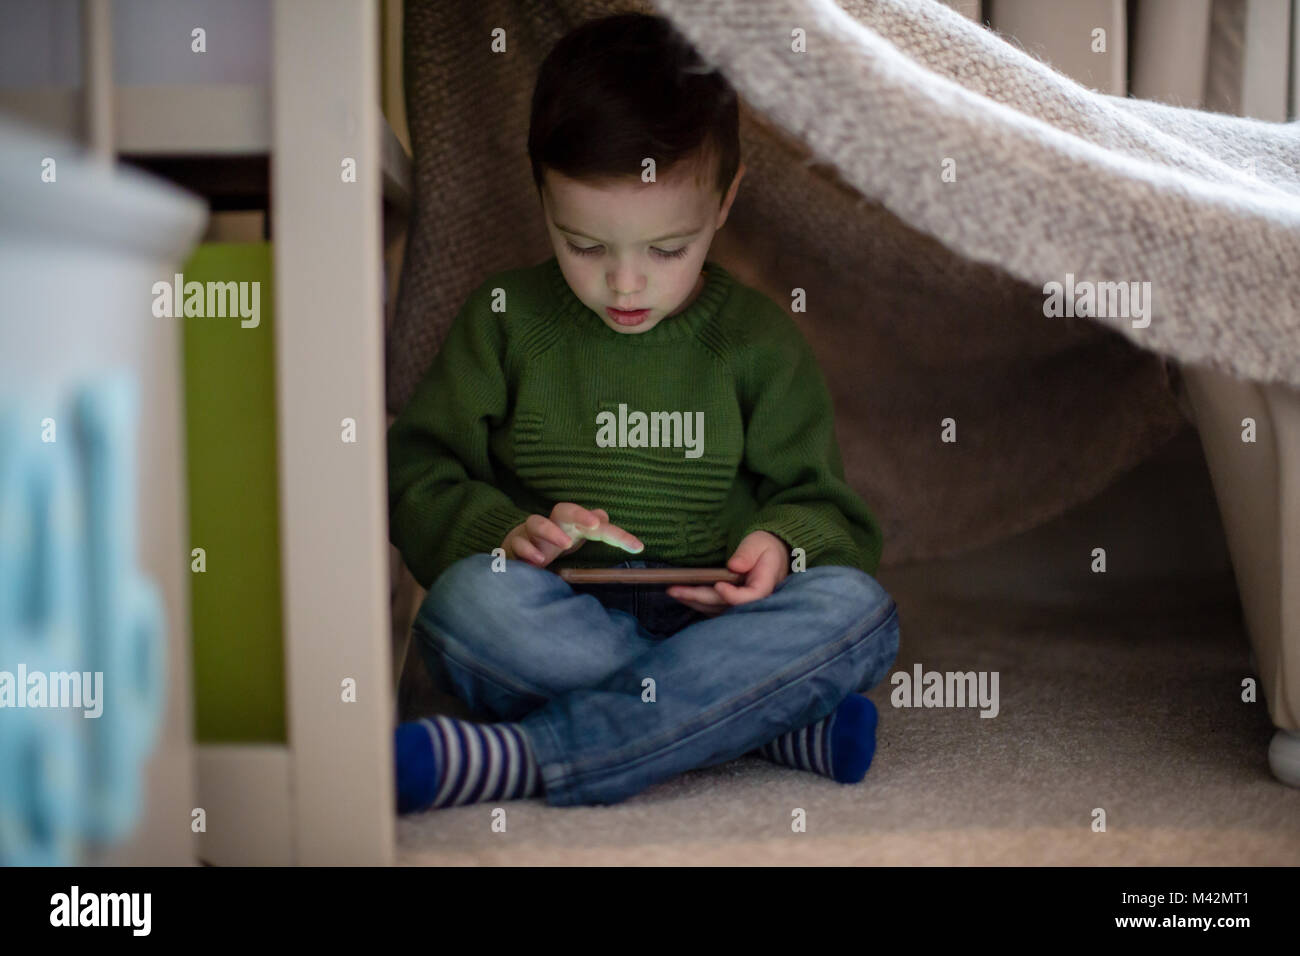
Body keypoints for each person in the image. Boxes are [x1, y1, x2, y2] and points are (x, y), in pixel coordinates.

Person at [388, 12, 899, 812]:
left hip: (718, 626)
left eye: (666, 250)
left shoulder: (758, 341)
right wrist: (501, 533)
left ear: (725, 201)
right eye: (585, 246)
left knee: (860, 614)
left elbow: (830, 514)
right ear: (542, 193)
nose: (625, 286)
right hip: (561, 612)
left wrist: (778, 545)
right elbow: (420, 470)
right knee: (462, 609)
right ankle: (760, 726)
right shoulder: (501, 318)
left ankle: (529, 757)